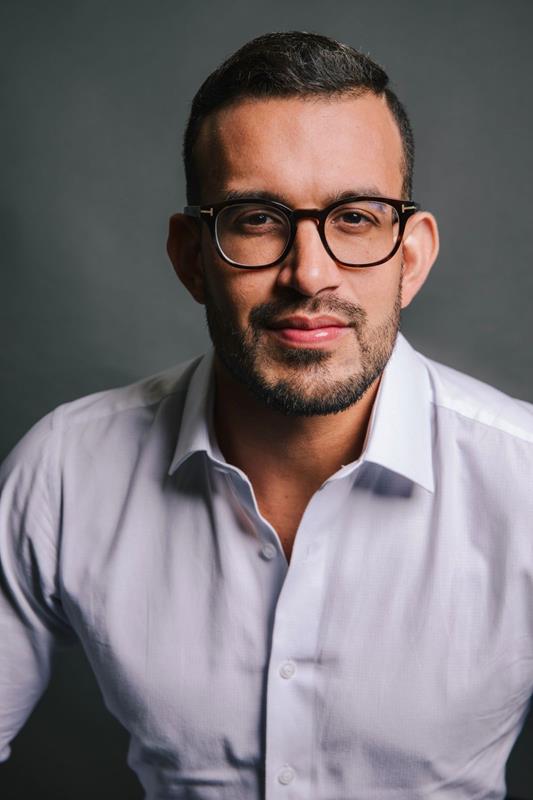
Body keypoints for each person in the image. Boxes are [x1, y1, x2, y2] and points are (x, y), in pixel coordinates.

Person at [1, 30, 532, 800]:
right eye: (255, 218)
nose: (308, 275)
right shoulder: (62, 472)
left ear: (410, 257)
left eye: (355, 218)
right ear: (191, 257)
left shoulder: (523, 482)